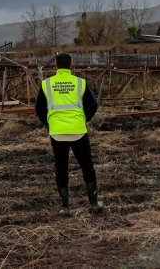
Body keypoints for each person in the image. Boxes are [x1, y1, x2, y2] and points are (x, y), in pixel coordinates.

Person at [35, 53, 103, 216]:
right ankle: (94, 204)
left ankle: (65, 208)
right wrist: (83, 119)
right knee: (86, 164)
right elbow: (93, 106)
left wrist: (49, 122)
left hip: (57, 132)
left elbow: (38, 109)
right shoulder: (80, 83)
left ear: (56, 66)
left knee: (61, 166)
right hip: (78, 130)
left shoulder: (46, 84)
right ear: (71, 66)